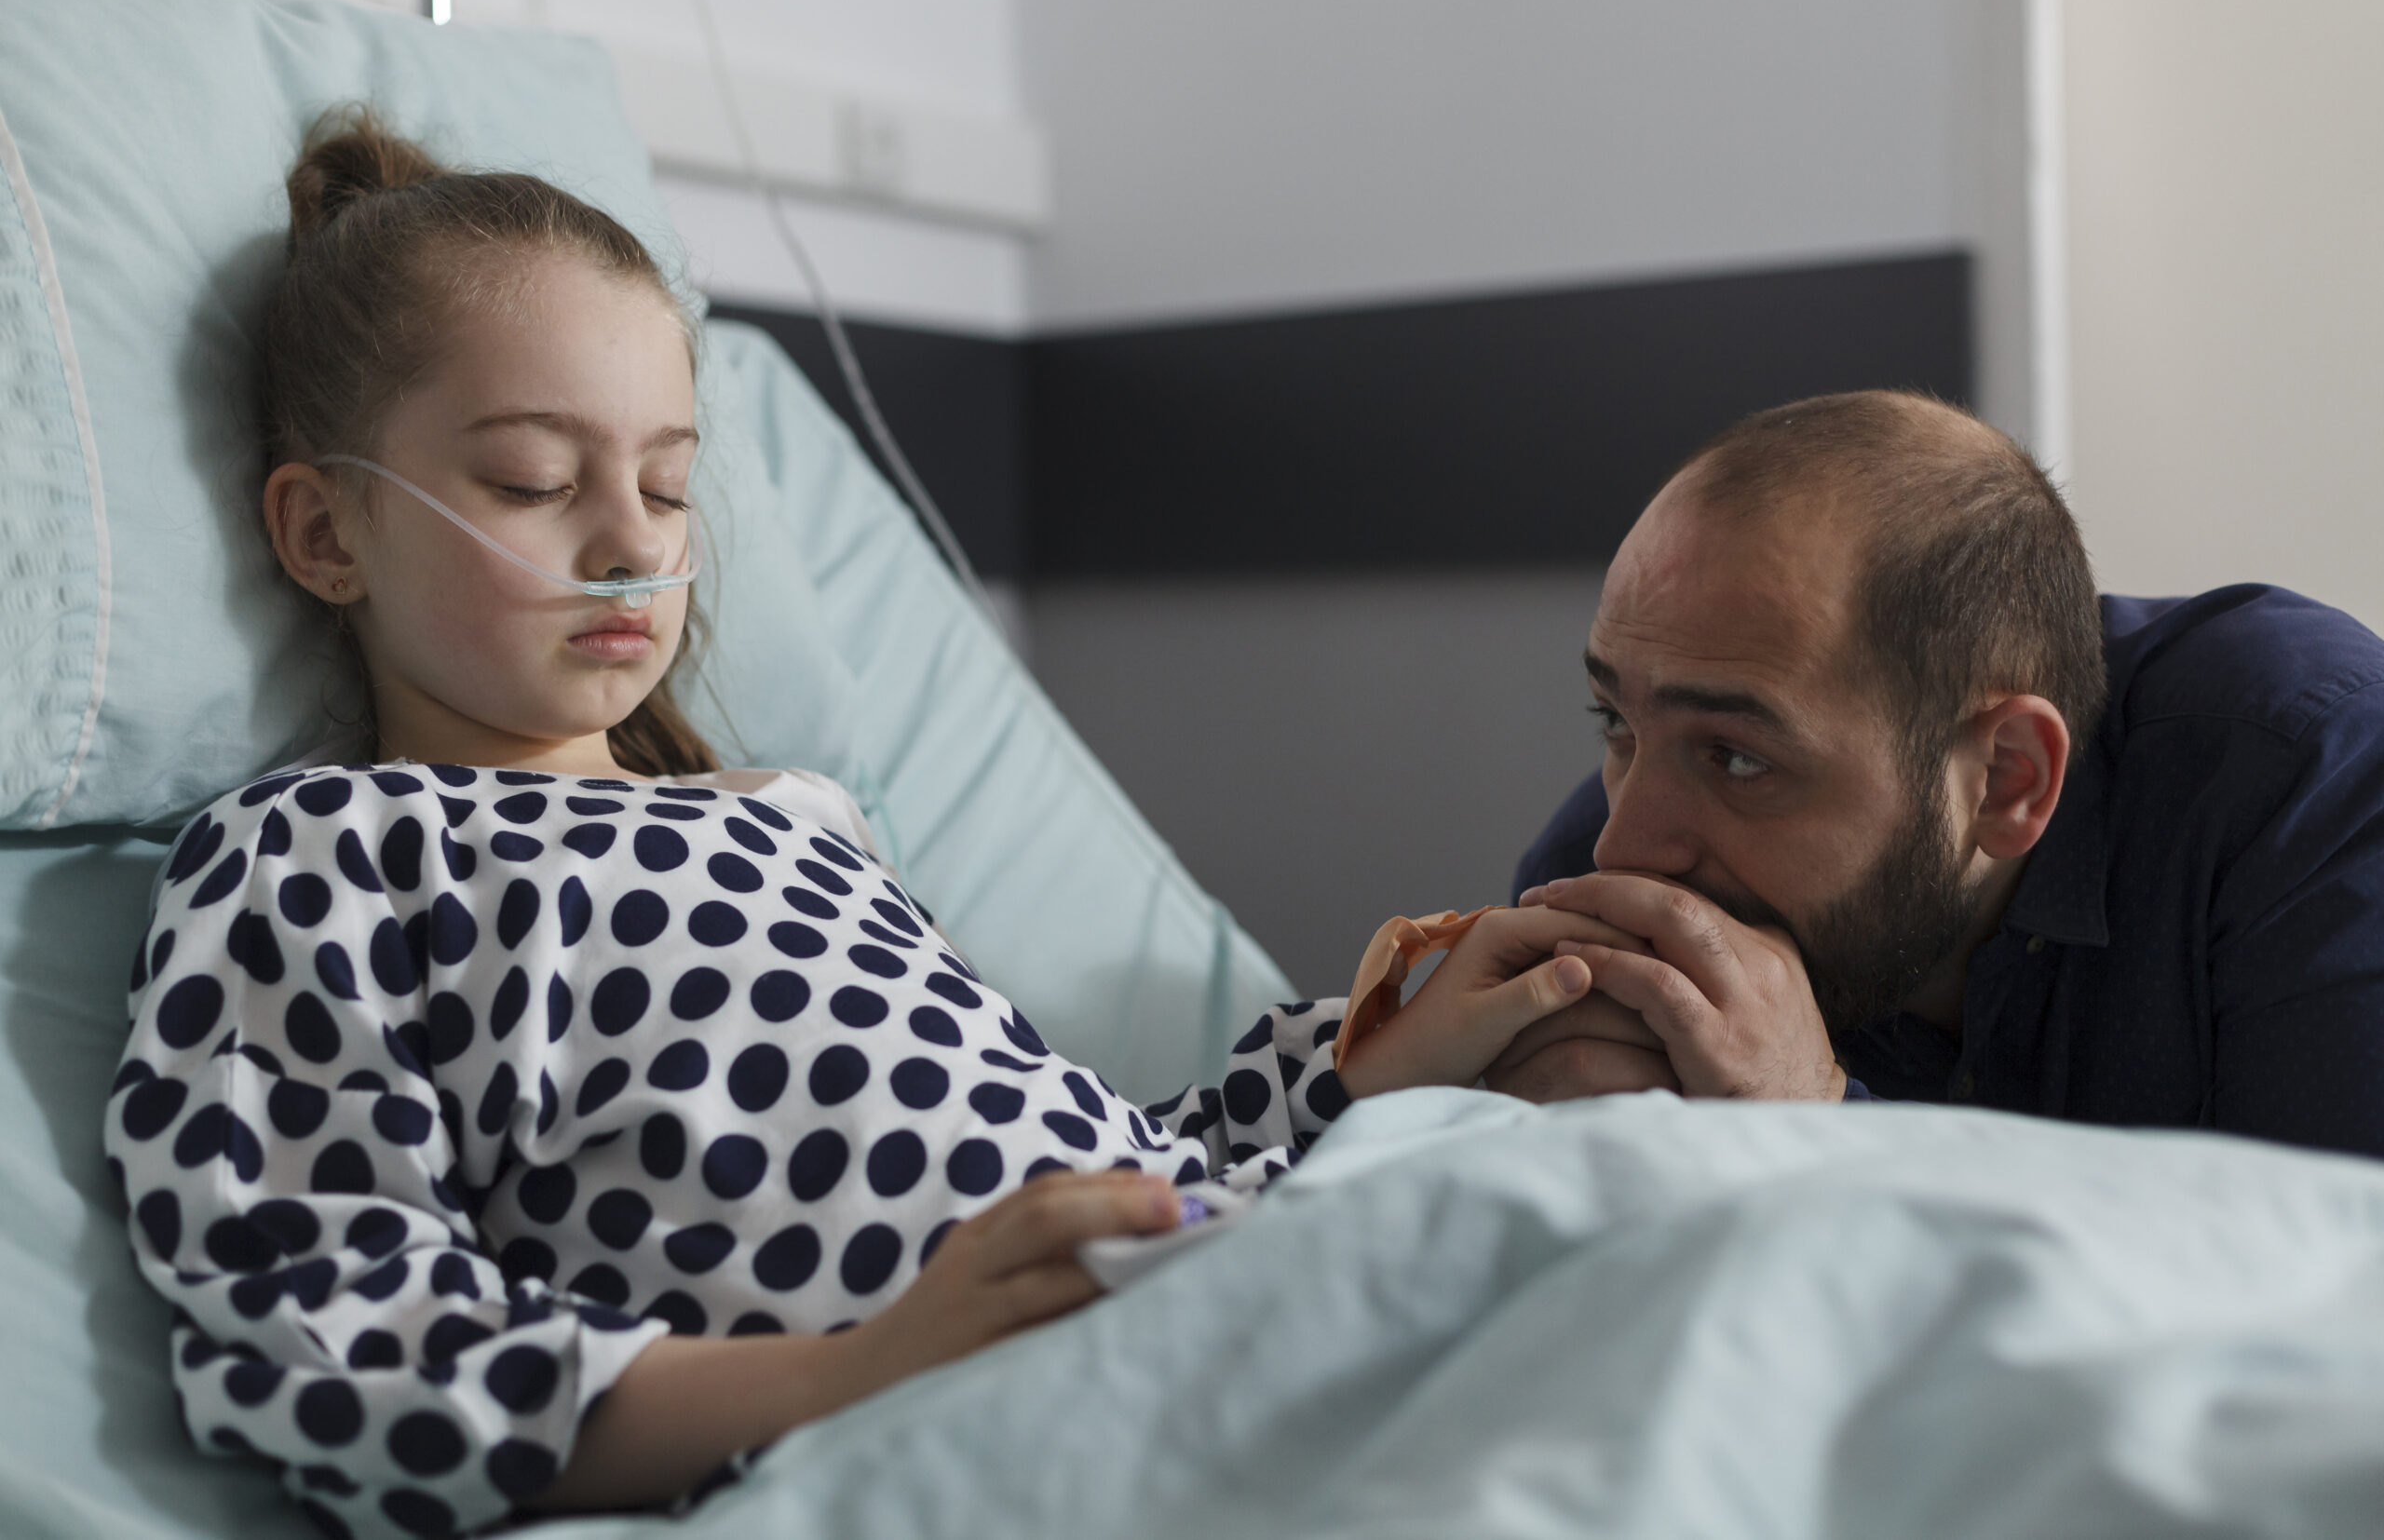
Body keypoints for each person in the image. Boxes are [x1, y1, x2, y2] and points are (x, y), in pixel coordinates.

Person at [102, 109, 1616, 1540]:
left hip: (1213, 1285)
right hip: (973, 1424)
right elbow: (331, 1352)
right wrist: (873, 1365)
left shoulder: (799, 821)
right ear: (322, 532)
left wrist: (1365, 1069)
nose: (632, 540)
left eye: (671, 483)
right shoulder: (324, 858)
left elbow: (1080, 1145)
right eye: (533, 479)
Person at [1493, 388, 2384, 1161]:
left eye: (1737, 757)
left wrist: (1815, 1124)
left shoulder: (2301, 776)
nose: (1626, 844)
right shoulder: (1599, 875)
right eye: (1616, 721)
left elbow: (2334, 1308)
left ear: (2006, 778)